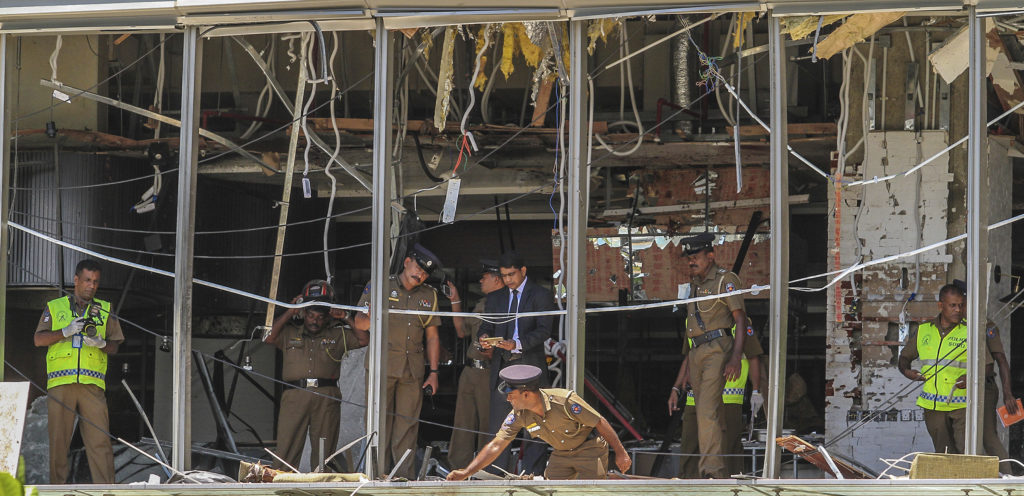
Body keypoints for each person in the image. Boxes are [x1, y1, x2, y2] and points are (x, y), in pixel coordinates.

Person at [447, 365, 631, 480]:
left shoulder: (564, 401)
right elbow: (496, 445)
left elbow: (600, 422)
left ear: (526, 394)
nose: (508, 399)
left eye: (511, 395)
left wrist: (621, 453)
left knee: (593, 491)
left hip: (589, 450)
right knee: (549, 491)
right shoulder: (519, 414)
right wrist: (466, 472)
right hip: (561, 454)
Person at [353, 244, 442, 478]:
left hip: (412, 371)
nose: (420, 275)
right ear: (406, 262)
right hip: (381, 368)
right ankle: (376, 475)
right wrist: (371, 317)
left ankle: (403, 477)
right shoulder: (381, 285)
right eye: (417, 268)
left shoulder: (429, 295)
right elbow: (359, 323)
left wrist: (433, 372)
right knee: (378, 422)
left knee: (407, 425)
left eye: (425, 273)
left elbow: (432, 337)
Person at [34, 259, 123, 484]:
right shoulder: (55, 306)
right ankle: (58, 490)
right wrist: (65, 331)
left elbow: (115, 345)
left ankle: (107, 491)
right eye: (87, 280)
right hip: (60, 384)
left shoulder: (104, 308)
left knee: (99, 441)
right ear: (76, 280)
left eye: (95, 282)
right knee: (58, 442)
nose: (91, 286)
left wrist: (101, 343)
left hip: (92, 385)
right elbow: (38, 339)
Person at [265, 280, 365, 470]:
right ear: (304, 314)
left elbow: (363, 339)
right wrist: (290, 311)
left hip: (327, 396)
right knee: (287, 448)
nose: (314, 320)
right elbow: (269, 337)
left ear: (326, 317)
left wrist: (345, 316)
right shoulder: (289, 333)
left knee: (324, 453)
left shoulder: (337, 334)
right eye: (310, 315)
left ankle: (321, 488)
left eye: (320, 316)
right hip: (295, 395)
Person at [476, 251, 556, 475]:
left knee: (535, 427)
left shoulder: (540, 295)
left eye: (512, 274)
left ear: (523, 271)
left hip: (530, 366)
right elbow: (486, 327)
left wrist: (518, 343)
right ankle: (495, 477)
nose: (508, 279)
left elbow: (544, 330)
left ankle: (533, 476)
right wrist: (483, 340)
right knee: (500, 428)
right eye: (504, 275)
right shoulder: (496, 298)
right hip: (503, 368)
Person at [681, 233, 749, 478]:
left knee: (706, 411)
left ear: (710, 256)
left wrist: (735, 357)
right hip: (697, 351)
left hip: (716, 350)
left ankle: (712, 471)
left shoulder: (725, 280)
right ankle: (714, 468)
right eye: (689, 257)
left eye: (696, 256)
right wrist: (688, 366)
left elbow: (739, 319)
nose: (691, 261)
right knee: (708, 413)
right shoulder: (695, 286)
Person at [897, 283, 993, 454]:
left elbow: (987, 366)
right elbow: (904, 358)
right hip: (933, 407)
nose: (958, 309)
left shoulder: (971, 332)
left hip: (962, 406)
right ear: (941, 306)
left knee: (967, 453)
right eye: (953, 305)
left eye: (961, 305)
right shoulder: (924, 330)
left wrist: (970, 378)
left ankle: (969, 481)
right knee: (944, 453)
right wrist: (907, 372)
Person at [668, 318, 764, 478]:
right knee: (690, 453)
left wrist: (755, 391)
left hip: (728, 401)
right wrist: (675, 388)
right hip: (695, 400)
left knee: (725, 456)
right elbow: (689, 356)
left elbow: (753, 356)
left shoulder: (738, 321)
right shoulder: (690, 320)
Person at [952, 279, 1018, 473]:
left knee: (988, 437)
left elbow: (1001, 360)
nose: (958, 307)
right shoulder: (959, 326)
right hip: (962, 390)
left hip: (984, 388)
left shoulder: (985, 325)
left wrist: (1008, 393)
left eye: (961, 302)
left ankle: (1008, 479)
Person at [447, 260, 504, 469]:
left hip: (489, 371)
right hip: (470, 370)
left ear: (496, 279)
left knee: (487, 425)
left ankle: (484, 469)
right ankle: (458, 468)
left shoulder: (506, 304)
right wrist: (455, 300)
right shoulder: (482, 304)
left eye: (485, 277)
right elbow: (462, 331)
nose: (481, 280)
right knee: (463, 422)